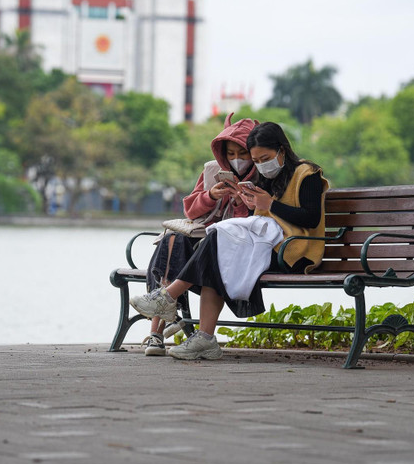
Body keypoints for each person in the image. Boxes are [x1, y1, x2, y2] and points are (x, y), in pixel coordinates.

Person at [131, 122, 329, 360]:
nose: (260, 165)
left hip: (295, 252)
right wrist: (250, 204)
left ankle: (168, 298)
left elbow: (311, 218)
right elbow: (264, 221)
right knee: (216, 250)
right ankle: (204, 338)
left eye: (265, 158)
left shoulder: (307, 174)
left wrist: (269, 205)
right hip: (269, 247)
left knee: (218, 239)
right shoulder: (269, 178)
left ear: (282, 150)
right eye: (256, 161)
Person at [141, 113, 260, 356]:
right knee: (172, 240)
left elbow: (251, 225)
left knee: (188, 246)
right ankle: (157, 330)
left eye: (243, 154)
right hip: (200, 236)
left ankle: (161, 316)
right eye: (230, 154)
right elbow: (190, 210)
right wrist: (211, 196)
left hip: (229, 243)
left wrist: (239, 202)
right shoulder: (212, 170)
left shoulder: (261, 175)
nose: (236, 160)